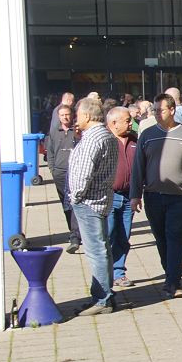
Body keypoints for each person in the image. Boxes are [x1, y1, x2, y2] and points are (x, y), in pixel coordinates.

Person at [130, 93, 182, 299]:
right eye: (155, 110)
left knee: (176, 238)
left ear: (173, 110)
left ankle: (172, 283)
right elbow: (138, 167)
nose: (157, 114)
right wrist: (135, 195)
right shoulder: (147, 135)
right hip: (154, 196)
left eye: (162, 110)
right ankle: (171, 275)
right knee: (161, 239)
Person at [66, 98, 119, 316]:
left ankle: (102, 298)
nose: (76, 119)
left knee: (96, 251)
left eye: (78, 115)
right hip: (101, 199)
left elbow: (83, 173)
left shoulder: (92, 139)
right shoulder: (107, 135)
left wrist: (75, 196)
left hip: (88, 201)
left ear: (87, 116)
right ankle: (103, 294)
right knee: (102, 249)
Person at [106, 106, 137, 288]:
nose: (131, 123)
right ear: (113, 123)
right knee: (108, 235)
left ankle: (119, 272)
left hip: (128, 196)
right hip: (108, 196)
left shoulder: (134, 139)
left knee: (123, 236)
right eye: (127, 120)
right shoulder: (105, 140)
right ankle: (105, 274)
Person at [45, 104, 81, 253]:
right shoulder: (54, 132)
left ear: (72, 115)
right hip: (59, 173)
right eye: (62, 115)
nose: (65, 117)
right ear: (58, 117)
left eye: (67, 114)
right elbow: (50, 152)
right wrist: (52, 169)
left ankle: (75, 236)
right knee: (65, 205)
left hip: (74, 172)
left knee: (74, 203)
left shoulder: (77, 131)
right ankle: (72, 232)